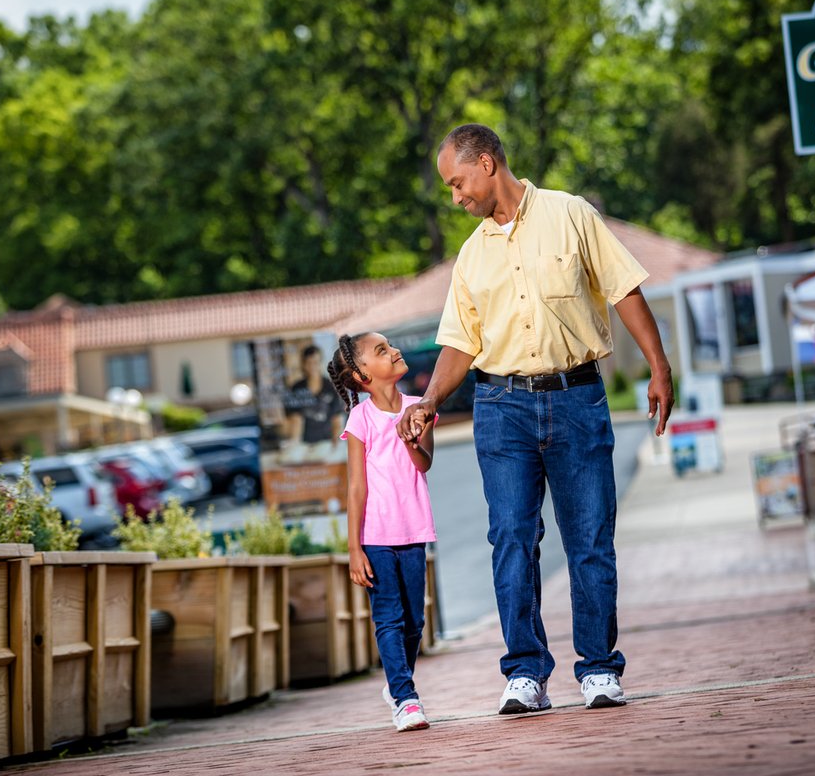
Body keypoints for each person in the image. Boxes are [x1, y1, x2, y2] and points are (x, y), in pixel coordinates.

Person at [397, 123, 674, 715]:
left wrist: (659, 366)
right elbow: (460, 344)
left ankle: (598, 668)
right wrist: (428, 401)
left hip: (577, 398)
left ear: (487, 163)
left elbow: (624, 291)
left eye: (457, 182)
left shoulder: (571, 215)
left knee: (590, 538)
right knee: (512, 540)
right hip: (501, 409)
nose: (456, 197)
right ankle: (526, 672)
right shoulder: (471, 256)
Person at [328, 331, 437, 732]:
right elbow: (356, 486)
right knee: (389, 618)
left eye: (389, 345)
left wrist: (411, 440)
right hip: (375, 536)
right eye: (381, 350)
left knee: (414, 623)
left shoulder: (420, 408)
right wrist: (354, 548)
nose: (394, 351)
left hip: (413, 531)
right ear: (362, 376)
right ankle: (406, 699)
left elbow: (424, 463)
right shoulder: (360, 418)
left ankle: (396, 683)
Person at [285, 344, 343, 453]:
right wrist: (295, 445)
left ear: (321, 363)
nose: (312, 366)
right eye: (308, 363)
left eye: (315, 362)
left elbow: (337, 419)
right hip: (304, 444)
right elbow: (296, 420)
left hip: (326, 443)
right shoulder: (296, 389)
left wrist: (336, 444)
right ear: (303, 364)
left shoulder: (332, 387)